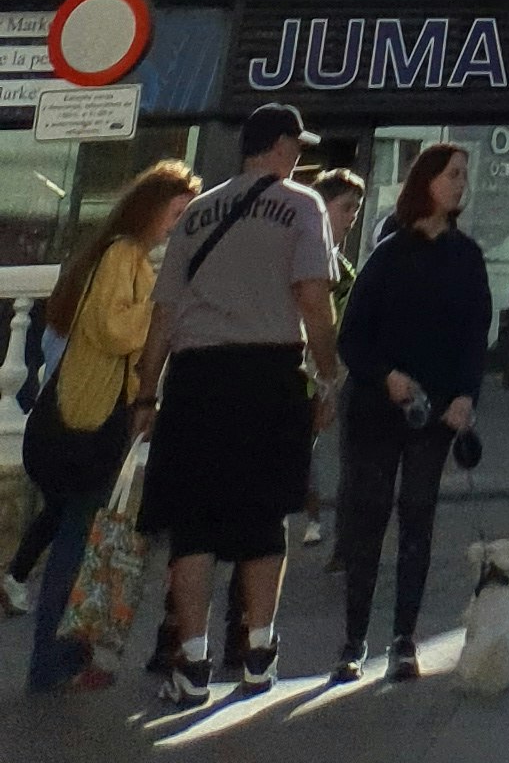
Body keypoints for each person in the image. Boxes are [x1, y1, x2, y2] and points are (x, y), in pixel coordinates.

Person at [130, 100, 342, 705]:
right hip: (268, 373)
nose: (299, 156)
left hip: (197, 377)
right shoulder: (301, 205)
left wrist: (147, 393)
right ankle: (258, 652)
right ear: (278, 146)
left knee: (192, 524)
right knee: (264, 517)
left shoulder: (198, 211)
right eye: (296, 146)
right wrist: (327, 377)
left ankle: (193, 661)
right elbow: (312, 298)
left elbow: (165, 312)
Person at [19, 162, 197, 697]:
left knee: (76, 539)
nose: (177, 224)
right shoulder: (125, 255)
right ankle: (53, 661)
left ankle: (61, 658)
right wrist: (163, 305)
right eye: (176, 212)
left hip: (81, 412)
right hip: (93, 420)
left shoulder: (115, 252)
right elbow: (115, 328)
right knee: (77, 543)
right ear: (154, 208)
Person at [331, 142, 491, 685]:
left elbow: (475, 337)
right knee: (368, 521)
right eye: (453, 174)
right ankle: (353, 642)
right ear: (426, 182)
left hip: (436, 417)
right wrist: (386, 378)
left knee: (418, 520)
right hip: (379, 411)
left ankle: (403, 640)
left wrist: (467, 396)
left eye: (465, 175)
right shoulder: (388, 253)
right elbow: (350, 337)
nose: (461, 183)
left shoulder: (468, 258)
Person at [292, 171, 367, 552]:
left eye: (357, 209)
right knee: (296, 451)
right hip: (294, 371)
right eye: (346, 208)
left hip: (321, 377)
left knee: (309, 451)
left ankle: (318, 523)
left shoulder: (346, 269)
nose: (352, 217)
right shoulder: (302, 253)